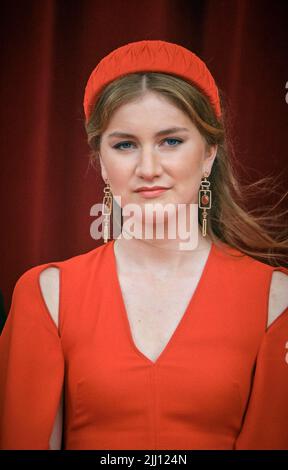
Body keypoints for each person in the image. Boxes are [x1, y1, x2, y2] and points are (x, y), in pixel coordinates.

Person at [0, 39, 288, 450]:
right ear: (101, 161)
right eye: (125, 145)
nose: (148, 169)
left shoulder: (276, 300)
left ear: (208, 154)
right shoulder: (47, 294)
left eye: (171, 141)